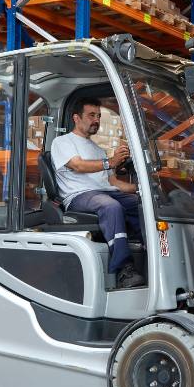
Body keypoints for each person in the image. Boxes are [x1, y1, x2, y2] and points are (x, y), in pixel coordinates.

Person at [51, 98, 145, 289]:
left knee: (140, 204)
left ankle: (147, 251)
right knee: (110, 206)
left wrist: (142, 188)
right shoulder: (62, 142)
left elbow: (113, 183)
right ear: (76, 118)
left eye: (99, 116)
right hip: (78, 196)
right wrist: (110, 162)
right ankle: (124, 269)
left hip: (104, 192)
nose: (96, 120)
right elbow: (77, 165)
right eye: (91, 115)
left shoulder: (98, 150)